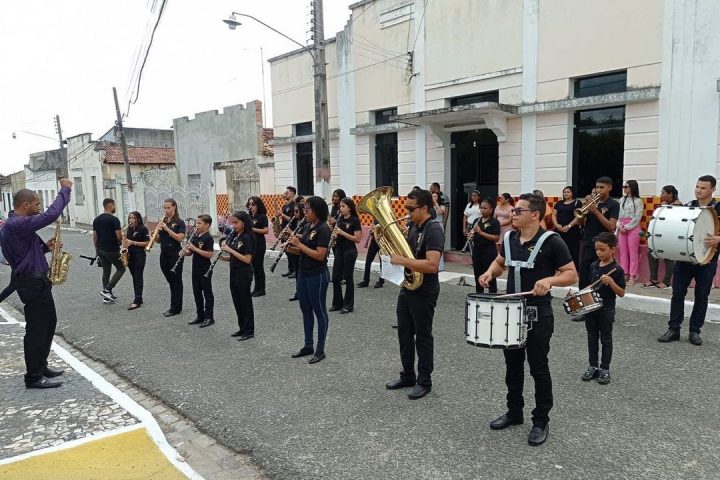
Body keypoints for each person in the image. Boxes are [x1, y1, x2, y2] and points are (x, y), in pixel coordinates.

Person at [478, 193, 577, 446]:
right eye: (513, 210)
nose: (513, 214)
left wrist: (550, 280)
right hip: (511, 312)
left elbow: (571, 274)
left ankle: (541, 420)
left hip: (538, 314)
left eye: (518, 211)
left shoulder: (552, 241)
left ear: (535, 215)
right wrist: (490, 273)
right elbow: (500, 263)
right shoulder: (510, 238)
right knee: (512, 366)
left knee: (538, 367)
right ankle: (514, 412)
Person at [1, 181, 72, 388]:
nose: (39, 207)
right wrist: (65, 189)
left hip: (37, 281)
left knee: (48, 323)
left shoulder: (16, 225)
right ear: (25, 205)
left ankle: (41, 366)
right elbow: (51, 214)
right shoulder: (16, 224)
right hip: (31, 283)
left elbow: (25, 255)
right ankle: (33, 376)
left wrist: (46, 248)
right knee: (37, 329)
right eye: (37, 204)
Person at [385, 189, 444, 400]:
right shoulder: (413, 226)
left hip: (425, 289)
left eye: (411, 209)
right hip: (408, 286)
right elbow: (408, 252)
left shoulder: (433, 229)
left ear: (425, 208)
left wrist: (401, 260)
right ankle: (408, 375)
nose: (407, 212)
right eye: (406, 208)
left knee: (423, 335)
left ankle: (424, 381)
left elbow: (432, 265)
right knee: (404, 332)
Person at [658, 175, 720, 346]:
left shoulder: (719, 208)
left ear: (713, 189)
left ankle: (695, 331)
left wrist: (718, 238)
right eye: (697, 187)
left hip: (708, 260)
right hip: (684, 259)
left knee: (702, 296)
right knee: (677, 294)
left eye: (703, 188)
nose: (698, 190)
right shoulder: (687, 207)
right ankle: (674, 329)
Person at [287, 197, 331, 364]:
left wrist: (299, 244)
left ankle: (320, 349)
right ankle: (308, 345)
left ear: (317, 211)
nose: (304, 212)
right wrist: (290, 247)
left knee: (319, 311)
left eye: (308, 209)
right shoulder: (307, 226)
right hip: (303, 273)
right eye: (304, 209)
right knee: (305, 309)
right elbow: (303, 251)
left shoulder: (323, 228)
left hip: (317, 274)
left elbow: (320, 255)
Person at [578, 232, 625, 385]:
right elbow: (589, 287)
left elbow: (621, 293)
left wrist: (611, 282)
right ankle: (592, 366)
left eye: (602, 249)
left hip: (606, 309)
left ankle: (605, 368)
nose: (598, 252)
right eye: (597, 249)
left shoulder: (617, 270)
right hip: (592, 308)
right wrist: (576, 294)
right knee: (591, 337)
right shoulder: (593, 266)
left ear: (613, 249)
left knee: (606, 338)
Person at [579, 177, 620, 288]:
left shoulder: (614, 204)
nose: (598, 190)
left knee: (599, 278)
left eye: (602, 187)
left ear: (609, 188)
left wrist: (595, 211)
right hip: (588, 243)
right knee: (584, 276)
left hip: (604, 246)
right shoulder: (592, 203)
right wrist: (583, 210)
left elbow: (611, 227)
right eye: (597, 187)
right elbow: (580, 222)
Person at [222, 211, 256, 341]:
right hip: (234, 271)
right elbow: (235, 256)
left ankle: (249, 330)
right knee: (237, 301)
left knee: (245, 302)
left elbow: (247, 259)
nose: (234, 225)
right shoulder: (235, 236)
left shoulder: (247, 237)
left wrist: (230, 250)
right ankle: (242, 327)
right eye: (232, 222)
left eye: (236, 223)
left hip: (244, 273)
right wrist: (224, 258)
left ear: (244, 223)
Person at [643, 185, 682, 288]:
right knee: (651, 253)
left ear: (670, 194)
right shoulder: (664, 205)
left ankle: (667, 281)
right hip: (661, 235)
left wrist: (664, 207)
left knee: (669, 256)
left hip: (671, 236)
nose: (661, 195)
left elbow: (673, 221)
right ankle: (653, 279)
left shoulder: (678, 206)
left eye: (663, 193)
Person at [330, 197, 362, 314]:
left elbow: (357, 239)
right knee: (335, 277)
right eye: (340, 206)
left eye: (343, 206)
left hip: (349, 251)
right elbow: (337, 234)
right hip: (339, 249)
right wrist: (334, 236)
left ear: (349, 208)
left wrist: (342, 233)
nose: (341, 209)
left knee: (348, 277)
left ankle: (348, 305)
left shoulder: (354, 220)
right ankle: (337, 303)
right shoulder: (340, 219)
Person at [92, 198, 125, 304]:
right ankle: (107, 289)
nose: (115, 207)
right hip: (112, 249)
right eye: (115, 205)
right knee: (121, 268)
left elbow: (95, 237)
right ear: (111, 206)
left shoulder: (97, 219)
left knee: (106, 271)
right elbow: (119, 237)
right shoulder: (114, 220)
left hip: (100, 249)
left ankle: (106, 297)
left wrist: (97, 250)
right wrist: (122, 239)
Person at [158, 199, 187, 317]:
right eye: (164, 208)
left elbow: (180, 238)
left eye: (168, 208)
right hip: (164, 254)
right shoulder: (163, 221)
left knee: (176, 281)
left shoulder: (179, 222)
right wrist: (155, 234)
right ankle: (174, 305)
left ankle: (176, 307)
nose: (166, 210)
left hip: (175, 254)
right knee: (170, 280)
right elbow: (159, 240)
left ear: (174, 207)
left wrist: (166, 228)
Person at [185, 215, 215, 328]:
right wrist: (185, 252)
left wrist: (194, 248)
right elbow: (191, 252)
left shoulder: (208, 238)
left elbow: (209, 254)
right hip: (195, 269)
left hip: (205, 269)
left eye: (199, 223)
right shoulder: (196, 236)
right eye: (196, 223)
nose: (196, 225)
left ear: (207, 225)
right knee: (197, 293)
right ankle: (200, 316)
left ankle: (209, 317)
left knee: (207, 293)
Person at [469, 198, 500, 293]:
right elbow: (475, 236)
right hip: (477, 251)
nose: (482, 210)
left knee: (491, 276)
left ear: (491, 210)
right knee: (478, 275)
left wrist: (481, 232)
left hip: (489, 252)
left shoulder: (494, 222)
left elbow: (496, 238)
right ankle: (479, 295)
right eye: (481, 208)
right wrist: (470, 236)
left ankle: (492, 295)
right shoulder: (476, 221)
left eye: (485, 208)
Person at [617, 180, 643, 285]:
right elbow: (617, 215)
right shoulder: (621, 200)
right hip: (621, 227)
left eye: (626, 186)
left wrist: (627, 227)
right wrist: (619, 226)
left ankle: (633, 275)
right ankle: (624, 273)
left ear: (632, 187)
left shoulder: (638, 201)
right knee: (623, 252)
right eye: (624, 186)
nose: (624, 188)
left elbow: (637, 217)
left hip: (633, 227)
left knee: (633, 252)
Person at [552, 186, 582, 269]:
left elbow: (578, 216)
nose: (566, 193)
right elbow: (554, 215)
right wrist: (556, 225)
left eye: (568, 192)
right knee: (558, 249)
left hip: (572, 231)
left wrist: (569, 226)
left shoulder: (577, 203)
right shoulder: (559, 203)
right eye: (564, 192)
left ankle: (573, 269)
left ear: (572, 193)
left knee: (573, 250)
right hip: (559, 230)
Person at [125, 211, 150, 310]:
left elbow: (147, 243)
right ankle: (139, 297)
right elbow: (127, 241)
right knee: (134, 277)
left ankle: (137, 300)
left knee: (138, 277)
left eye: (133, 218)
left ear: (138, 219)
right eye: (130, 218)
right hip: (130, 255)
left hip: (139, 255)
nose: (131, 220)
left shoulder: (143, 229)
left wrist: (133, 242)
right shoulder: (129, 228)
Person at [247, 196, 268, 297]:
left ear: (258, 205)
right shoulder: (249, 216)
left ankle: (261, 289)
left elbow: (266, 230)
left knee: (259, 267)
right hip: (251, 243)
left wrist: (252, 229)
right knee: (254, 267)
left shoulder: (262, 216)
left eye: (253, 204)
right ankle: (256, 288)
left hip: (259, 244)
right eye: (249, 204)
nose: (251, 206)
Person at [358, 219, 385, 289]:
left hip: (382, 242)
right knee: (368, 261)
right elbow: (374, 230)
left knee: (382, 262)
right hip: (374, 241)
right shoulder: (376, 219)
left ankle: (381, 281)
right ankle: (366, 281)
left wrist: (379, 232)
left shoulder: (384, 218)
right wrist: (372, 232)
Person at [287, 204, 305, 301]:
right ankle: (298, 292)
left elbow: (305, 236)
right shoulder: (294, 221)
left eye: (297, 211)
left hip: (302, 247)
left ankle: (302, 292)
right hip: (294, 247)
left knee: (301, 273)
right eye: (294, 211)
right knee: (297, 272)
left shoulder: (305, 222)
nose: (295, 213)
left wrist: (292, 233)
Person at [278, 186, 296, 277]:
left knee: (292, 251)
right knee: (286, 250)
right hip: (284, 230)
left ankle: (295, 270)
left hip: (291, 230)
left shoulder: (294, 206)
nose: (284, 194)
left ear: (292, 194)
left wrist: (282, 214)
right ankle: (290, 269)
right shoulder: (285, 206)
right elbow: (284, 219)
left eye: (287, 192)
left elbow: (292, 219)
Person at [432, 192, 447, 271]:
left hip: (439, 225)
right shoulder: (429, 206)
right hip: (431, 225)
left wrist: (435, 202)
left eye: (435, 196)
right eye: (432, 196)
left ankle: (440, 266)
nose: (433, 198)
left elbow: (441, 212)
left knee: (438, 245)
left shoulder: (442, 206)